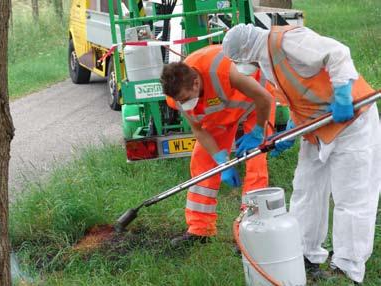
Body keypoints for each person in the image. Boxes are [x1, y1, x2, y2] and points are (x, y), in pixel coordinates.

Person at [222, 23, 381, 284]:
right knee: (306, 191)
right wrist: (289, 131)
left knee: (352, 196)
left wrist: (342, 93)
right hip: (317, 128)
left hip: (352, 121)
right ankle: (305, 254)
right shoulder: (266, 60)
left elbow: (338, 53)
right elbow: (302, 92)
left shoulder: (288, 40)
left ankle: (347, 267)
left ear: (245, 51)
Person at [160, 44, 274, 246]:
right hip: (220, 113)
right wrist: (221, 161)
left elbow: (264, 98)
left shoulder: (225, 71)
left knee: (255, 162)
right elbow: (199, 130)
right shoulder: (177, 95)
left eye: (185, 99)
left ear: (196, 83)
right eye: (179, 101)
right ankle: (199, 230)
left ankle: (250, 231)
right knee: (202, 160)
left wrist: (257, 132)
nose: (183, 104)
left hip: (256, 105)